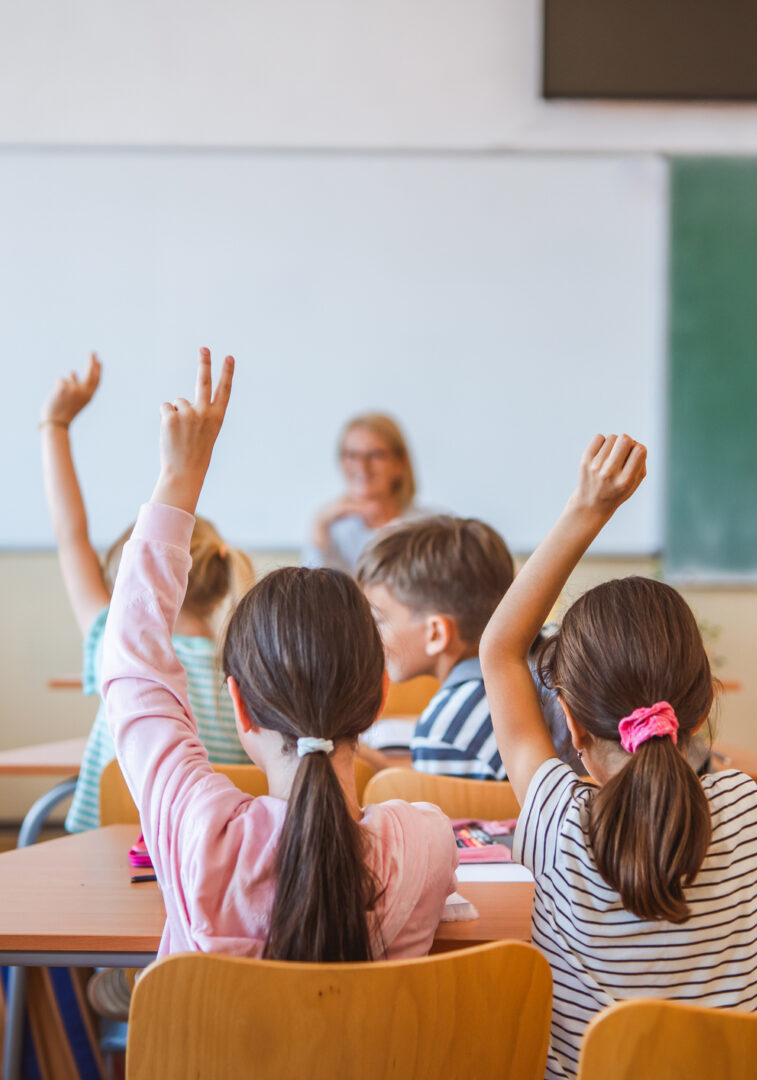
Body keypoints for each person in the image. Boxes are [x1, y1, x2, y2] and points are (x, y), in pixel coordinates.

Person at [479, 432, 757, 1079]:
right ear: (704, 708)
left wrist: (587, 510)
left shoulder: (555, 819)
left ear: (570, 722)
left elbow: (500, 652)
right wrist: (745, 884)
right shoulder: (745, 812)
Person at [102, 349, 457, 962]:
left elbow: (131, 662)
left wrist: (179, 480)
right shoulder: (424, 843)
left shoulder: (197, 831)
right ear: (378, 693)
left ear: (239, 705)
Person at [39, 353, 253, 831]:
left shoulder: (119, 646)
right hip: (213, 871)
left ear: (125, 593)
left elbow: (69, 534)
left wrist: (54, 424)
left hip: (110, 864)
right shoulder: (246, 678)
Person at [356, 515, 516, 779]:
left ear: (436, 634)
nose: (370, 634)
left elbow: (451, 811)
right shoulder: (533, 665)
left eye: (379, 620)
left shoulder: (445, 734)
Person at [304, 413, 423, 573]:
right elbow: (313, 590)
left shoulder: (428, 527)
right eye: (351, 455)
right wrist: (320, 522)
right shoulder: (333, 529)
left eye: (375, 455)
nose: (362, 466)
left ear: (399, 462)